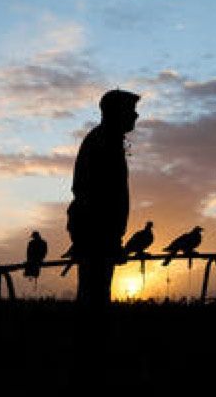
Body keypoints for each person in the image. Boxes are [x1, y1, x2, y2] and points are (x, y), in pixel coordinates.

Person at [66, 89, 141, 306]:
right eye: (131, 111)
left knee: (95, 296)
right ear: (117, 112)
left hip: (97, 235)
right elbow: (95, 195)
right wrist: (107, 238)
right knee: (94, 298)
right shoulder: (104, 142)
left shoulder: (107, 140)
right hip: (96, 236)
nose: (136, 116)